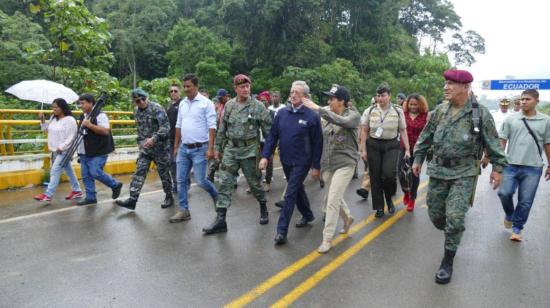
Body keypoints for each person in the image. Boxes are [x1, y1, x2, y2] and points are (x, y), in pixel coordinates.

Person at [412, 69, 507, 285]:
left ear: (465, 87)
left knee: (454, 218)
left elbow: (493, 143)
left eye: (451, 84)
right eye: (445, 83)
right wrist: (417, 159)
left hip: (464, 173)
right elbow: (426, 136)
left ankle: (448, 260)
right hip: (438, 171)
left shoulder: (480, 113)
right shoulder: (439, 111)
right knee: (437, 216)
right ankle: (452, 232)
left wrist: (498, 168)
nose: (446, 87)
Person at [202, 74, 272, 235]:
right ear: (235, 89)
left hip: (250, 151)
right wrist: (217, 149)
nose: (245, 89)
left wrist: (266, 155)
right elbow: (222, 129)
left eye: (247, 86)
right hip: (231, 150)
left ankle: (263, 207)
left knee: (254, 184)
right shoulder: (229, 106)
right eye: (241, 87)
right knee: (225, 183)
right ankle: (221, 220)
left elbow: (269, 133)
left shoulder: (258, 107)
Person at [260, 80, 322, 245]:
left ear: (306, 97)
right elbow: (272, 136)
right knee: (297, 189)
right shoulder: (282, 113)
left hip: (302, 162)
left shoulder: (312, 116)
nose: (293, 95)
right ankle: (308, 214)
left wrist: (316, 166)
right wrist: (265, 156)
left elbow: (317, 143)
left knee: (290, 194)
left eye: (298, 93)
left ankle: (281, 231)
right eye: (292, 92)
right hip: (286, 160)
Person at [302, 84, 359, 253]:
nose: (329, 101)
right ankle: (348, 217)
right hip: (328, 164)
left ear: (341, 101)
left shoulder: (353, 116)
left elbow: (342, 121)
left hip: (345, 164)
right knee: (334, 195)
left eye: (332, 98)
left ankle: (327, 239)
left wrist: (318, 109)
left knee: (332, 199)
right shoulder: (325, 115)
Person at [498, 89, 550, 241]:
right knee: (504, 193)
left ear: (536, 101)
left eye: (527, 99)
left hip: (533, 168)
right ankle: (509, 214)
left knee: (525, 201)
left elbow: (548, 143)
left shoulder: (546, 120)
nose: (523, 102)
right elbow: (502, 140)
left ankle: (517, 228)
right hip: (510, 165)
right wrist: (497, 164)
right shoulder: (511, 119)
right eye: (522, 99)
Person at [169, 74, 219, 223]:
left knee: (201, 180)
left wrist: (210, 148)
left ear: (196, 86)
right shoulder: (183, 103)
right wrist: (176, 146)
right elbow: (178, 125)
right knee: (180, 180)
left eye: (188, 86)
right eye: (184, 86)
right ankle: (184, 210)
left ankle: (217, 196)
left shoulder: (206, 103)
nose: (185, 89)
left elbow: (212, 126)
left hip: (200, 148)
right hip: (184, 148)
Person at [115, 89, 173, 210]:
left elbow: (166, 127)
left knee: (164, 174)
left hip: (160, 148)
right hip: (146, 149)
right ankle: (132, 199)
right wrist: (141, 143)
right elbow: (140, 129)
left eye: (143, 99)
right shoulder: (136, 111)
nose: (141, 102)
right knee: (139, 172)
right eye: (137, 101)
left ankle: (169, 196)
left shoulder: (156, 108)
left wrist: (154, 138)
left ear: (147, 97)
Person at [360, 83, 410, 218]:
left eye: (383, 95)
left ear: (389, 96)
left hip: (392, 145)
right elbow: (364, 131)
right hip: (373, 145)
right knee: (375, 176)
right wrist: (363, 150)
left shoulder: (397, 111)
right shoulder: (369, 110)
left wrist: (407, 150)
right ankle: (379, 207)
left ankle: (389, 198)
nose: (380, 98)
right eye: (378, 95)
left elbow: (403, 131)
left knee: (388, 175)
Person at [76, 94, 123, 205]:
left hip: (99, 150)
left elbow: (105, 131)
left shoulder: (100, 115)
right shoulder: (83, 116)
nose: (81, 106)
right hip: (85, 150)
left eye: (83, 103)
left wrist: (90, 125)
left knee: (95, 172)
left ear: (91, 103)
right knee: (86, 175)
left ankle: (115, 185)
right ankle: (91, 197)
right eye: (80, 103)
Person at [34, 98, 82, 202]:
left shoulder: (70, 120)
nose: (54, 109)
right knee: (69, 170)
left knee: (55, 170)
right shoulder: (53, 118)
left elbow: (72, 136)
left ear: (62, 107)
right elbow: (45, 130)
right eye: (53, 107)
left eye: (56, 107)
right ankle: (77, 190)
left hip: (65, 150)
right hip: (55, 149)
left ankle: (48, 194)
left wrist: (62, 147)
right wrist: (42, 120)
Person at [400, 93, 430, 211]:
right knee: (401, 173)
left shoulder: (425, 116)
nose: (412, 106)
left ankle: (412, 199)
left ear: (420, 105)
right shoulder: (403, 114)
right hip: (404, 147)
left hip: (418, 150)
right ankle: (406, 192)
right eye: (410, 104)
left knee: (414, 174)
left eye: (415, 104)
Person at [356, 96, 377, 200]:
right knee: (369, 166)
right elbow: (362, 127)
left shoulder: (390, 111)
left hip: (383, 145)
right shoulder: (367, 112)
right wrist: (361, 145)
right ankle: (365, 189)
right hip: (369, 143)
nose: (375, 105)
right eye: (374, 103)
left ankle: (366, 188)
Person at [208, 89, 230, 182]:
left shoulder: (231, 106)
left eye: (221, 98)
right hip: (220, 135)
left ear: (226, 96)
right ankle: (211, 174)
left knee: (228, 159)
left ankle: (231, 179)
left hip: (228, 137)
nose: (219, 100)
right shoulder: (220, 106)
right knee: (217, 155)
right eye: (219, 98)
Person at [166, 83, 182, 193]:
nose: (173, 93)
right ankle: (176, 184)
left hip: (181, 139)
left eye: (175, 91)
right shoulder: (168, 105)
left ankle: (184, 183)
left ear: (179, 92)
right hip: (169, 139)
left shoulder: (183, 104)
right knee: (171, 163)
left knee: (179, 163)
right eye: (171, 91)